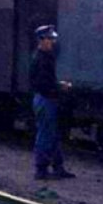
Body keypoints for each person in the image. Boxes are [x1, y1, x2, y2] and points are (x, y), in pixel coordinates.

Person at [30, 25, 74, 181]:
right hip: (45, 98)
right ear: (42, 40)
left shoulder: (43, 56)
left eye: (53, 39)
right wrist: (60, 86)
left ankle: (57, 167)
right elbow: (43, 83)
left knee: (52, 134)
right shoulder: (41, 58)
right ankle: (41, 169)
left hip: (47, 98)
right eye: (50, 39)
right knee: (46, 134)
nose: (52, 42)